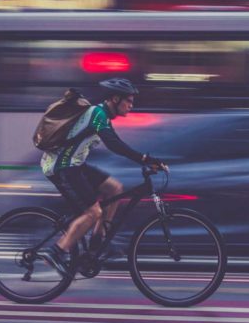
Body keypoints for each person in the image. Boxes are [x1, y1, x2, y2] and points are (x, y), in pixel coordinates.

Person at [39, 78, 165, 276]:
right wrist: (144, 159)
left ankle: (96, 244)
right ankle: (56, 252)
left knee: (114, 188)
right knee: (93, 212)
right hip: (63, 166)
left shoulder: (102, 116)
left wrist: (144, 159)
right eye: (129, 101)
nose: (131, 105)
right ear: (115, 99)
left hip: (75, 164)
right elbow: (114, 144)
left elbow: (115, 142)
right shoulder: (97, 114)